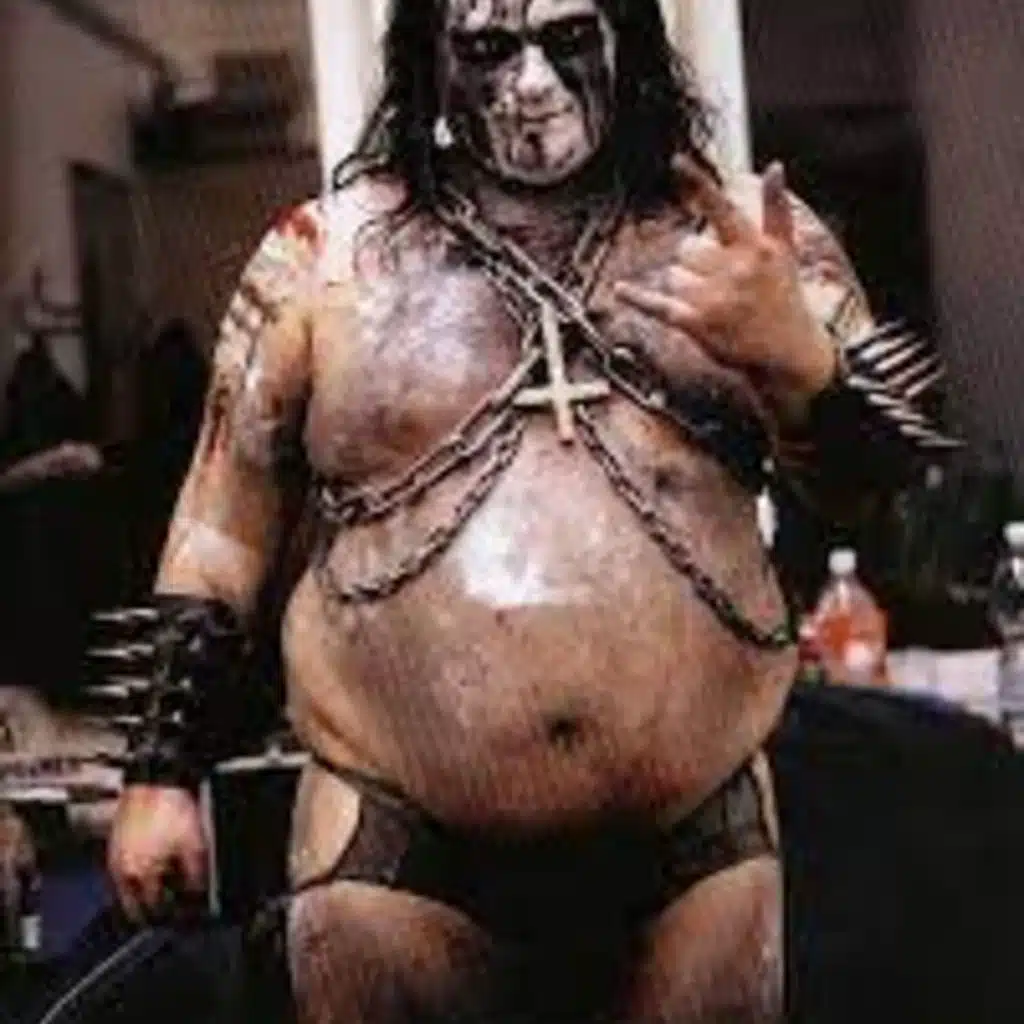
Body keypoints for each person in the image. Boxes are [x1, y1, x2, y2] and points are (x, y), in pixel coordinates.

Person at [96, 1, 956, 1021]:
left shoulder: (747, 241)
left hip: (695, 849)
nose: (533, 84)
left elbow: (881, 494)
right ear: (431, 59)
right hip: (393, 853)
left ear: (629, 38)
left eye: (569, 37)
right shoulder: (320, 260)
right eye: (490, 47)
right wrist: (158, 775)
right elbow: (218, 533)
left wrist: (800, 365)